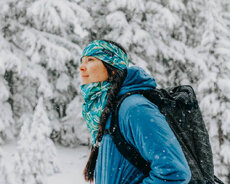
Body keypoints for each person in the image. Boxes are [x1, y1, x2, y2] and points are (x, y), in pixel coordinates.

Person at [79, 39, 191, 184]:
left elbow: (174, 173)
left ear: (112, 67)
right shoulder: (108, 111)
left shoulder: (134, 108)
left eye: (90, 60)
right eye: (82, 61)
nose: (82, 67)